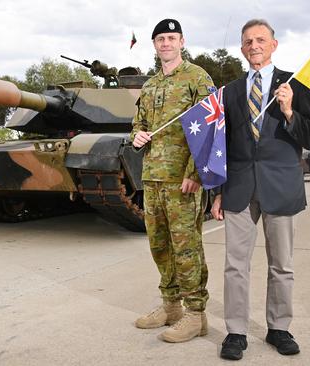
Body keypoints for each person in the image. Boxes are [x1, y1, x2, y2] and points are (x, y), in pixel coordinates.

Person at [210, 19, 310, 360]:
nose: (254, 45)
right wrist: (217, 191)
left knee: (281, 265)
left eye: (260, 39)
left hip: (281, 186)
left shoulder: (297, 86)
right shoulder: (228, 91)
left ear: (273, 44)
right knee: (235, 265)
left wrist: (288, 110)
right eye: (248, 41)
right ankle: (236, 332)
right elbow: (221, 145)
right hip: (240, 187)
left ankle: (279, 328)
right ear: (242, 49)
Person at [131, 18, 216, 343]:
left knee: (187, 247)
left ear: (181, 42)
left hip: (182, 180)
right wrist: (136, 135)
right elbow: (137, 122)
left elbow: (209, 127)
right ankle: (171, 306)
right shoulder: (151, 84)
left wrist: (195, 173)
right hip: (152, 178)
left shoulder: (197, 77)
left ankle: (196, 314)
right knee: (160, 246)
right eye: (160, 39)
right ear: (155, 45)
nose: (165, 43)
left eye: (171, 38)